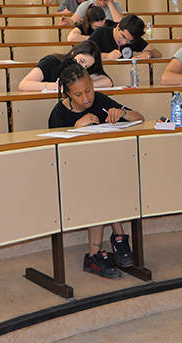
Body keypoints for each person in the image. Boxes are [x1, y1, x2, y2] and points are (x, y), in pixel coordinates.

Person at [48, 61, 143, 279]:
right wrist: (75, 129)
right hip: (73, 173)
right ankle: (98, 252)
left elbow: (139, 118)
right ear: (68, 94)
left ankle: (114, 241)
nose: (86, 98)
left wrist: (121, 113)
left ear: (92, 83)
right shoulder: (59, 113)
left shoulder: (100, 101)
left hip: (101, 169)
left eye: (88, 90)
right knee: (101, 186)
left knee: (108, 180)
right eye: (79, 95)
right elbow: (54, 151)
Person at [18, 40, 112, 91]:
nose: (82, 67)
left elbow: (108, 82)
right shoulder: (51, 62)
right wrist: (59, 87)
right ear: (73, 52)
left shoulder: (83, 70)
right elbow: (23, 85)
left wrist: (83, 86)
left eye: (87, 66)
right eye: (81, 61)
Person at [89, 14, 162, 60]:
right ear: (118, 27)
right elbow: (83, 53)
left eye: (129, 41)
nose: (124, 42)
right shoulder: (101, 33)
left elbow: (158, 53)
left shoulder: (134, 38)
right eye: (122, 36)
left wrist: (149, 53)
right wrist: (107, 56)